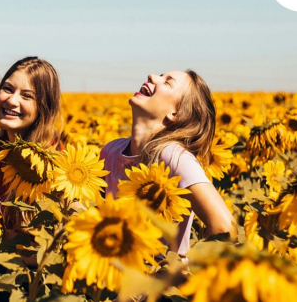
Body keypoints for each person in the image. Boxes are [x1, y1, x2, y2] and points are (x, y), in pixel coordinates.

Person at [101, 70, 236, 256]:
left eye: (167, 82)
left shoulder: (173, 157)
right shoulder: (110, 151)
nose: (151, 76)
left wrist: (187, 271)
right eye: (160, 75)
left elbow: (224, 226)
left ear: (176, 113)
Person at [0, 56, 63, 231]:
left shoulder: (56, 157)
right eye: (7, 89)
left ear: (44, 107)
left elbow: (55, 227)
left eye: (27, 96)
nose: (12, 101)